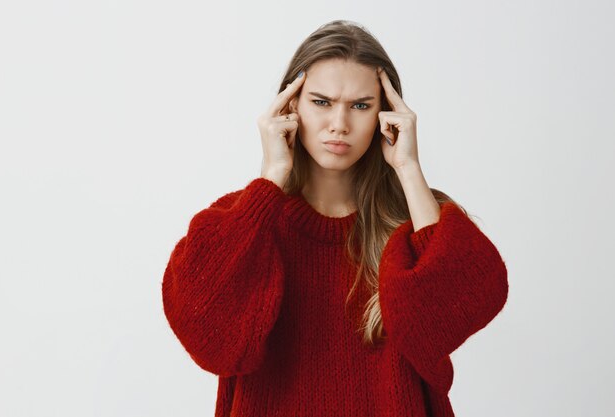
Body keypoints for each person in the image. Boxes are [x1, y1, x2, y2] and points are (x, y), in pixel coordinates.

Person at [161, 19, 508, 417]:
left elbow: (463, 309)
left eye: (361, 105)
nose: (339, 124)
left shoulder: (414, 221)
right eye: (321, 102)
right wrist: (271, 178)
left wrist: (409, 169)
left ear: (387, 114)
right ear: (290, 106)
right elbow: (206, 337)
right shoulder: (243, 221)